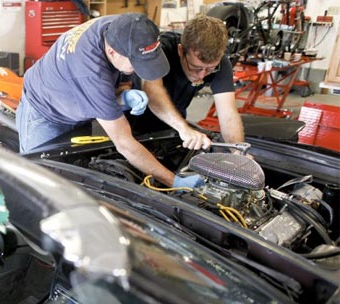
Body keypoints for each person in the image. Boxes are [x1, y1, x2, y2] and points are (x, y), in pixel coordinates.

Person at [16, 13, 211, 188]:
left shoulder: (123, 29)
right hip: (45, 112)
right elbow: (124, 143)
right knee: (42, 182)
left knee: (74, 174)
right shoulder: (91, 74)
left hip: (77, 105)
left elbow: (121, 79)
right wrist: (173, 181)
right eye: (136, 64)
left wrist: (123, 94)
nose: (137, 70)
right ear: (112, 53)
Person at [124, 14, 245, 147]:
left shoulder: (221, 64)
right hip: (127, 125)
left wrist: (237, 151)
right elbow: (153, 92)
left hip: (171, 125)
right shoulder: (159, 51)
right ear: (181, 50)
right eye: (195, 67)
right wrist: (184, 129)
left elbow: (228, 114)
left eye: (210, 69)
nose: (202, 75)